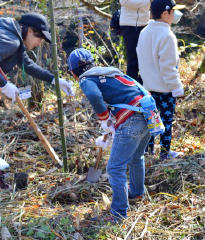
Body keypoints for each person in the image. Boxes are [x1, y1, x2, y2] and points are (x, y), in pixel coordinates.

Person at [0, 13, 75, 189]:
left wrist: (55, 80)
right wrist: (4, 85)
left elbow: (29, 66)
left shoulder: (14, 40)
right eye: (39, 37)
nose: (40, 43)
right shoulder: (11, 40)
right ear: (30, 31)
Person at [67, 48, 150, 223]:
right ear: (93, 64)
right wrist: (112, 125)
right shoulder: (108, 72)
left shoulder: (86, 78)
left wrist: (104, 119)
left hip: (131, 118)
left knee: (114, 168)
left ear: (73, 73)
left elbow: (93, 95)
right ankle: (136, 193)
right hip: (149, 114)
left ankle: (119, 214)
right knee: (136, 157)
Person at [136, 0, 185, 160]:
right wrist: (177, 87)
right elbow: (168, 67)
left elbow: (140, 59)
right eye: (172, 11)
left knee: (150, 122)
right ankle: (164, 153)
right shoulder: (167, 35)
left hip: (148, 88)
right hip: (165, 89)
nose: (174, 15)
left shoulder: (144, 32)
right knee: (166, 121)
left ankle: (148, 152)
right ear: (165, 13)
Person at [119, 0, 151, 84]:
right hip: (129, 25)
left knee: (146, 60)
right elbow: (124, 2)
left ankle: (146, 90)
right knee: (133, 61)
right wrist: (148, 1)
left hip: (145, 23)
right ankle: (132, 91)